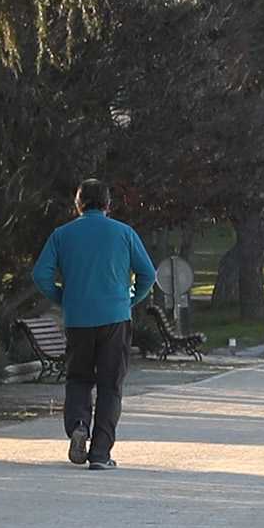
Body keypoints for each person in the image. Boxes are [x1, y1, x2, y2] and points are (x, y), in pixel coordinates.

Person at [34, 179, 156, 469]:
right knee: (110, 386)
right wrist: (129, 299)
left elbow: (40, 274)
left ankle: (78, 425)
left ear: (77, 204)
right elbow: (148, 275)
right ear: (108, 205)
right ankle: (100, 453)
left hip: (78, 319)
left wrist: (63, 298)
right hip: (115, 318)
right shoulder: (124, 233)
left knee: (79, 379)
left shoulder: (62, 235)